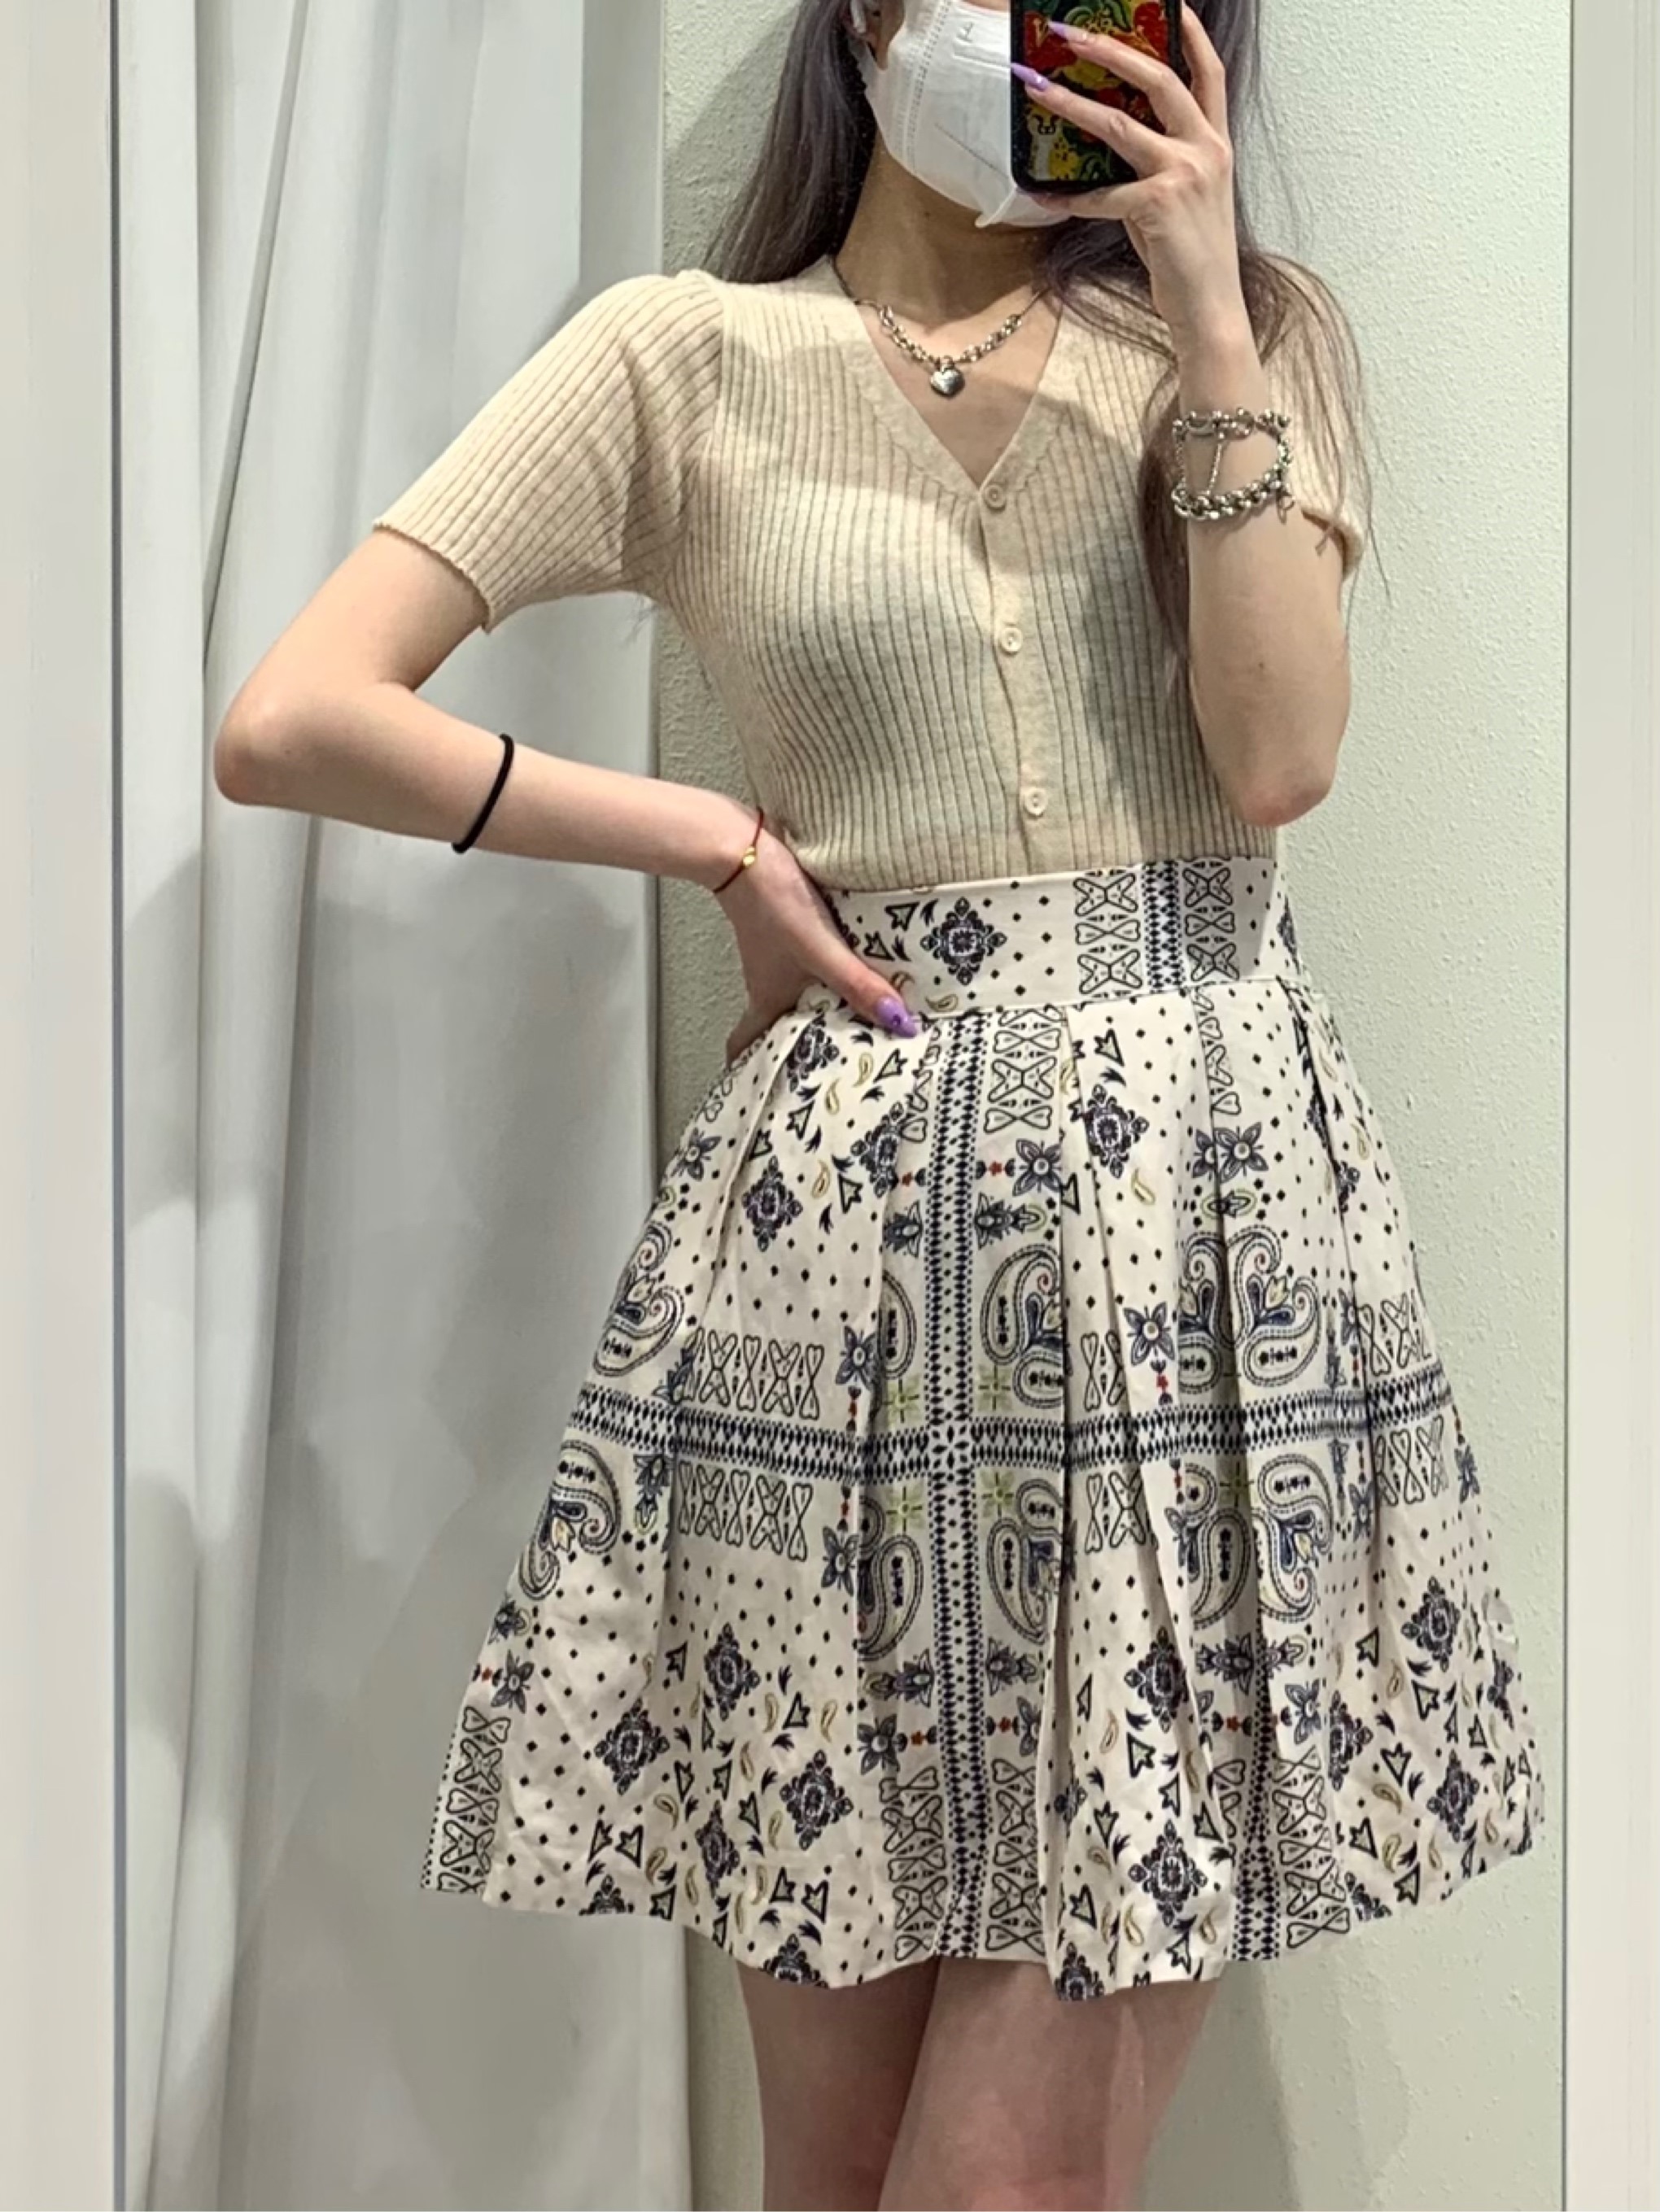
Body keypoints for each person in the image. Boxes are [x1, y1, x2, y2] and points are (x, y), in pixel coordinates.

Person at [214, 2, 1544, 2204]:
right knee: (831, 2179)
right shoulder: (681, 361)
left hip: (1196, 1270)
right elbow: (294, 716)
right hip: (829, 1299)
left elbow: (1281, 756)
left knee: (1004, 2184)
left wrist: (1208, 304)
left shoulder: (1248, 342)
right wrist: (715, 842)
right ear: (868, 15)